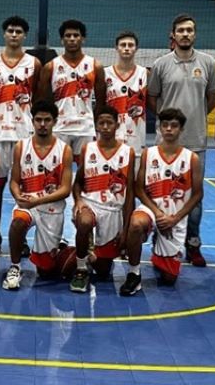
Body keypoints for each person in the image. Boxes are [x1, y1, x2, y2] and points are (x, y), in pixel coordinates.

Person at [147, 13, 215, 267]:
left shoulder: (208, 62)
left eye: (189, 30)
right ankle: (162, 241)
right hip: (165, 144)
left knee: (194, 197)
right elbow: (153, 98)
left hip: (196, 141)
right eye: (181, 30)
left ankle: (193, 245)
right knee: (162, 195)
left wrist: (193, 118)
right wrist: (170, 124)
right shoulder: (161, 64)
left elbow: (212, 97)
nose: (185, 34)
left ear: (194, 34)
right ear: (173, 35)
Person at [120, 108, 204, 296]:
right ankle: (134, 274)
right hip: (152, 210)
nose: (168, 129)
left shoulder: (192, 158)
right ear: (159, 128)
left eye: (174, 126)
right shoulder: (148, 154)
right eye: (165, 125)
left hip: (175, 215)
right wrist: (158, 214)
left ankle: (159, 248)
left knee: (168, 279)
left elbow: (197, 194)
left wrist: (175, 219)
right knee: (136, 224)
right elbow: (139, 189)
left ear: (181, 129)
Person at [0, 16, 41, 256]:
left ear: (25, 35)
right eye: (10, 30)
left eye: (19, 31)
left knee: (25, 189)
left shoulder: (34, 64)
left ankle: (21, 236)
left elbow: (37, 96)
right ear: (4, 33)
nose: (14, 34)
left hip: (24, 134)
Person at [2, 101, 73, 291]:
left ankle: (56, 247)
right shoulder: (21, 147)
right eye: (39, 120)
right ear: (32, 121)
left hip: (52, 207)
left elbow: (66, 189)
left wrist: (38, 200)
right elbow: (14, 181)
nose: (43, 124)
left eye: (47, 120)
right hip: (28, 205)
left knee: (46, 272)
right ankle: (15, 266)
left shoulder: (64, 150)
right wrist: (17, 196)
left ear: (55, 121)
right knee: (17, 222)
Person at [70, 106, 135, 292]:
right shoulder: (87, 148)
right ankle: (81, 268)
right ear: (96, 126)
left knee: (103, 271)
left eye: (109, 123)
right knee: (84, 222)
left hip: (113, 210)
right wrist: (78, 201)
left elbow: (129, 193)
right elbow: (77, 183)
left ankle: (92, 254)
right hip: (90, 204)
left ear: (117, 125)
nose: (105, 127)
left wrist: (126, 228)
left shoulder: (127, 152)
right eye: (101, 123)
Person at [39, 19, 105, 164]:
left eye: (76, 35)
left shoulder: (95, 66)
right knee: (57, 172)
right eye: (68, 36)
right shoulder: (51, 67)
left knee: (85, 172)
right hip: (60, 127)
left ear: (83, 39)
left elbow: (101, 102)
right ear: (62, 40)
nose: (72, 39)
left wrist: (93, 123)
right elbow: (43, 100)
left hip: (85, 128)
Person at [104, 30, 149, 162]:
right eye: (123, 45)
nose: (127, 48)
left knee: (134, 178)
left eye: (131, 45)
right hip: (112, 132)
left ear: (136, 49)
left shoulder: (145, 73)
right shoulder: (105, 74)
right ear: (116, 48)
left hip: (137, 133)